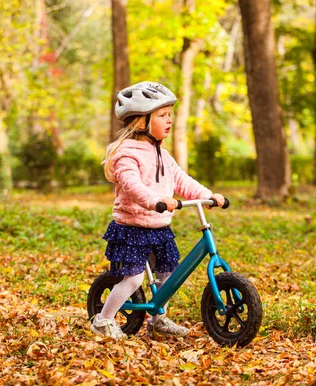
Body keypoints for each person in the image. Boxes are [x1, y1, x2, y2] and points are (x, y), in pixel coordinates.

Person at [91, 81, 225, 340]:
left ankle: (158, 319)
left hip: (159, 227)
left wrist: (208, 195)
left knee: (169, 275)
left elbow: (182, 181)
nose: (169, 120)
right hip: (132, 228)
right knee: (132, 280)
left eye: (170, 115)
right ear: (141, 121)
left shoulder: (163, 154)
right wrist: (155, 201)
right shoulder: (127, 154)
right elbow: (132, 186)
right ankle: (102, 320)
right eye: (162, 115)